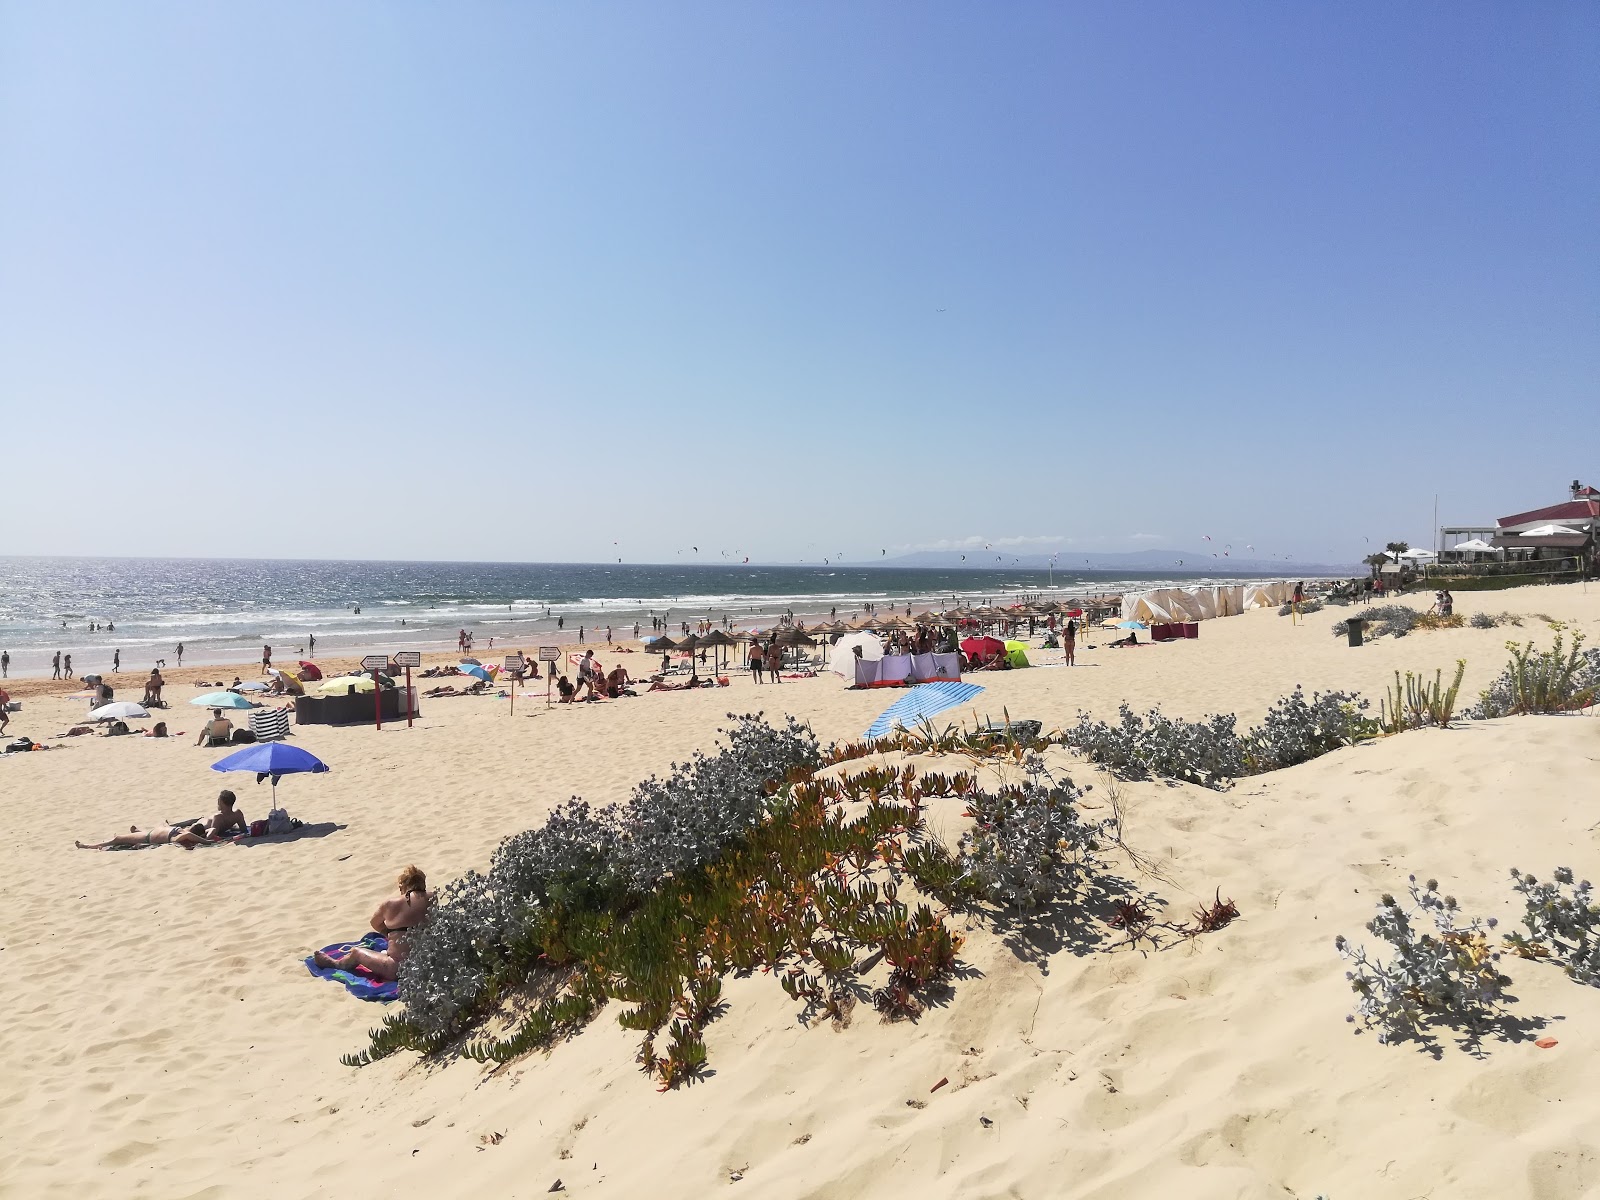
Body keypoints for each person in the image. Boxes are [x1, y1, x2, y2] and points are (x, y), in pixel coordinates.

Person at [311, 866, 430, 983]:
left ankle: (335, 964)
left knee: (356, 952)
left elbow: (375, 923)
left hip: (398, 969)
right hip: (426, 966)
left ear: (403, 885)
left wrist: (389, 934)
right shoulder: (432, 898)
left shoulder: (390, 904)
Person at [76, 821, 216, 850]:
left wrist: (206, 841)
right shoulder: (181, 831)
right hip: (152, 832)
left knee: (117, 839)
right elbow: (212, 829)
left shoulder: (183, 834)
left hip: (149, 837)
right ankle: (138, 831)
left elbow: (189, 837)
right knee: (160, 827)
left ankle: (87, 846)